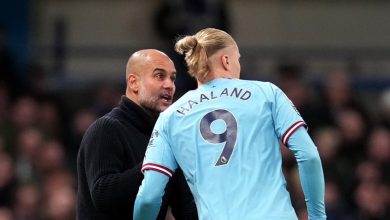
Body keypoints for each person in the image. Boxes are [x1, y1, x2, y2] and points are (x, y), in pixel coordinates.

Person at [134, 28, 326, 220]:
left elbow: (149, 197)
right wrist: (317, 217)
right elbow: (309, 156)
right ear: (226, 60)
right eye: (238, 60)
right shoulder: (267, 93)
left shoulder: (170, 116)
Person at [77, 49, 197, 220]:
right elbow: (102, 195)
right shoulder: (106, 128)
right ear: (134, 83)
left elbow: (185, 209)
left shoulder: (167, 138)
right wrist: (154, 167)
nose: (169, 85)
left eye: (172, 78)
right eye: (159, 76)